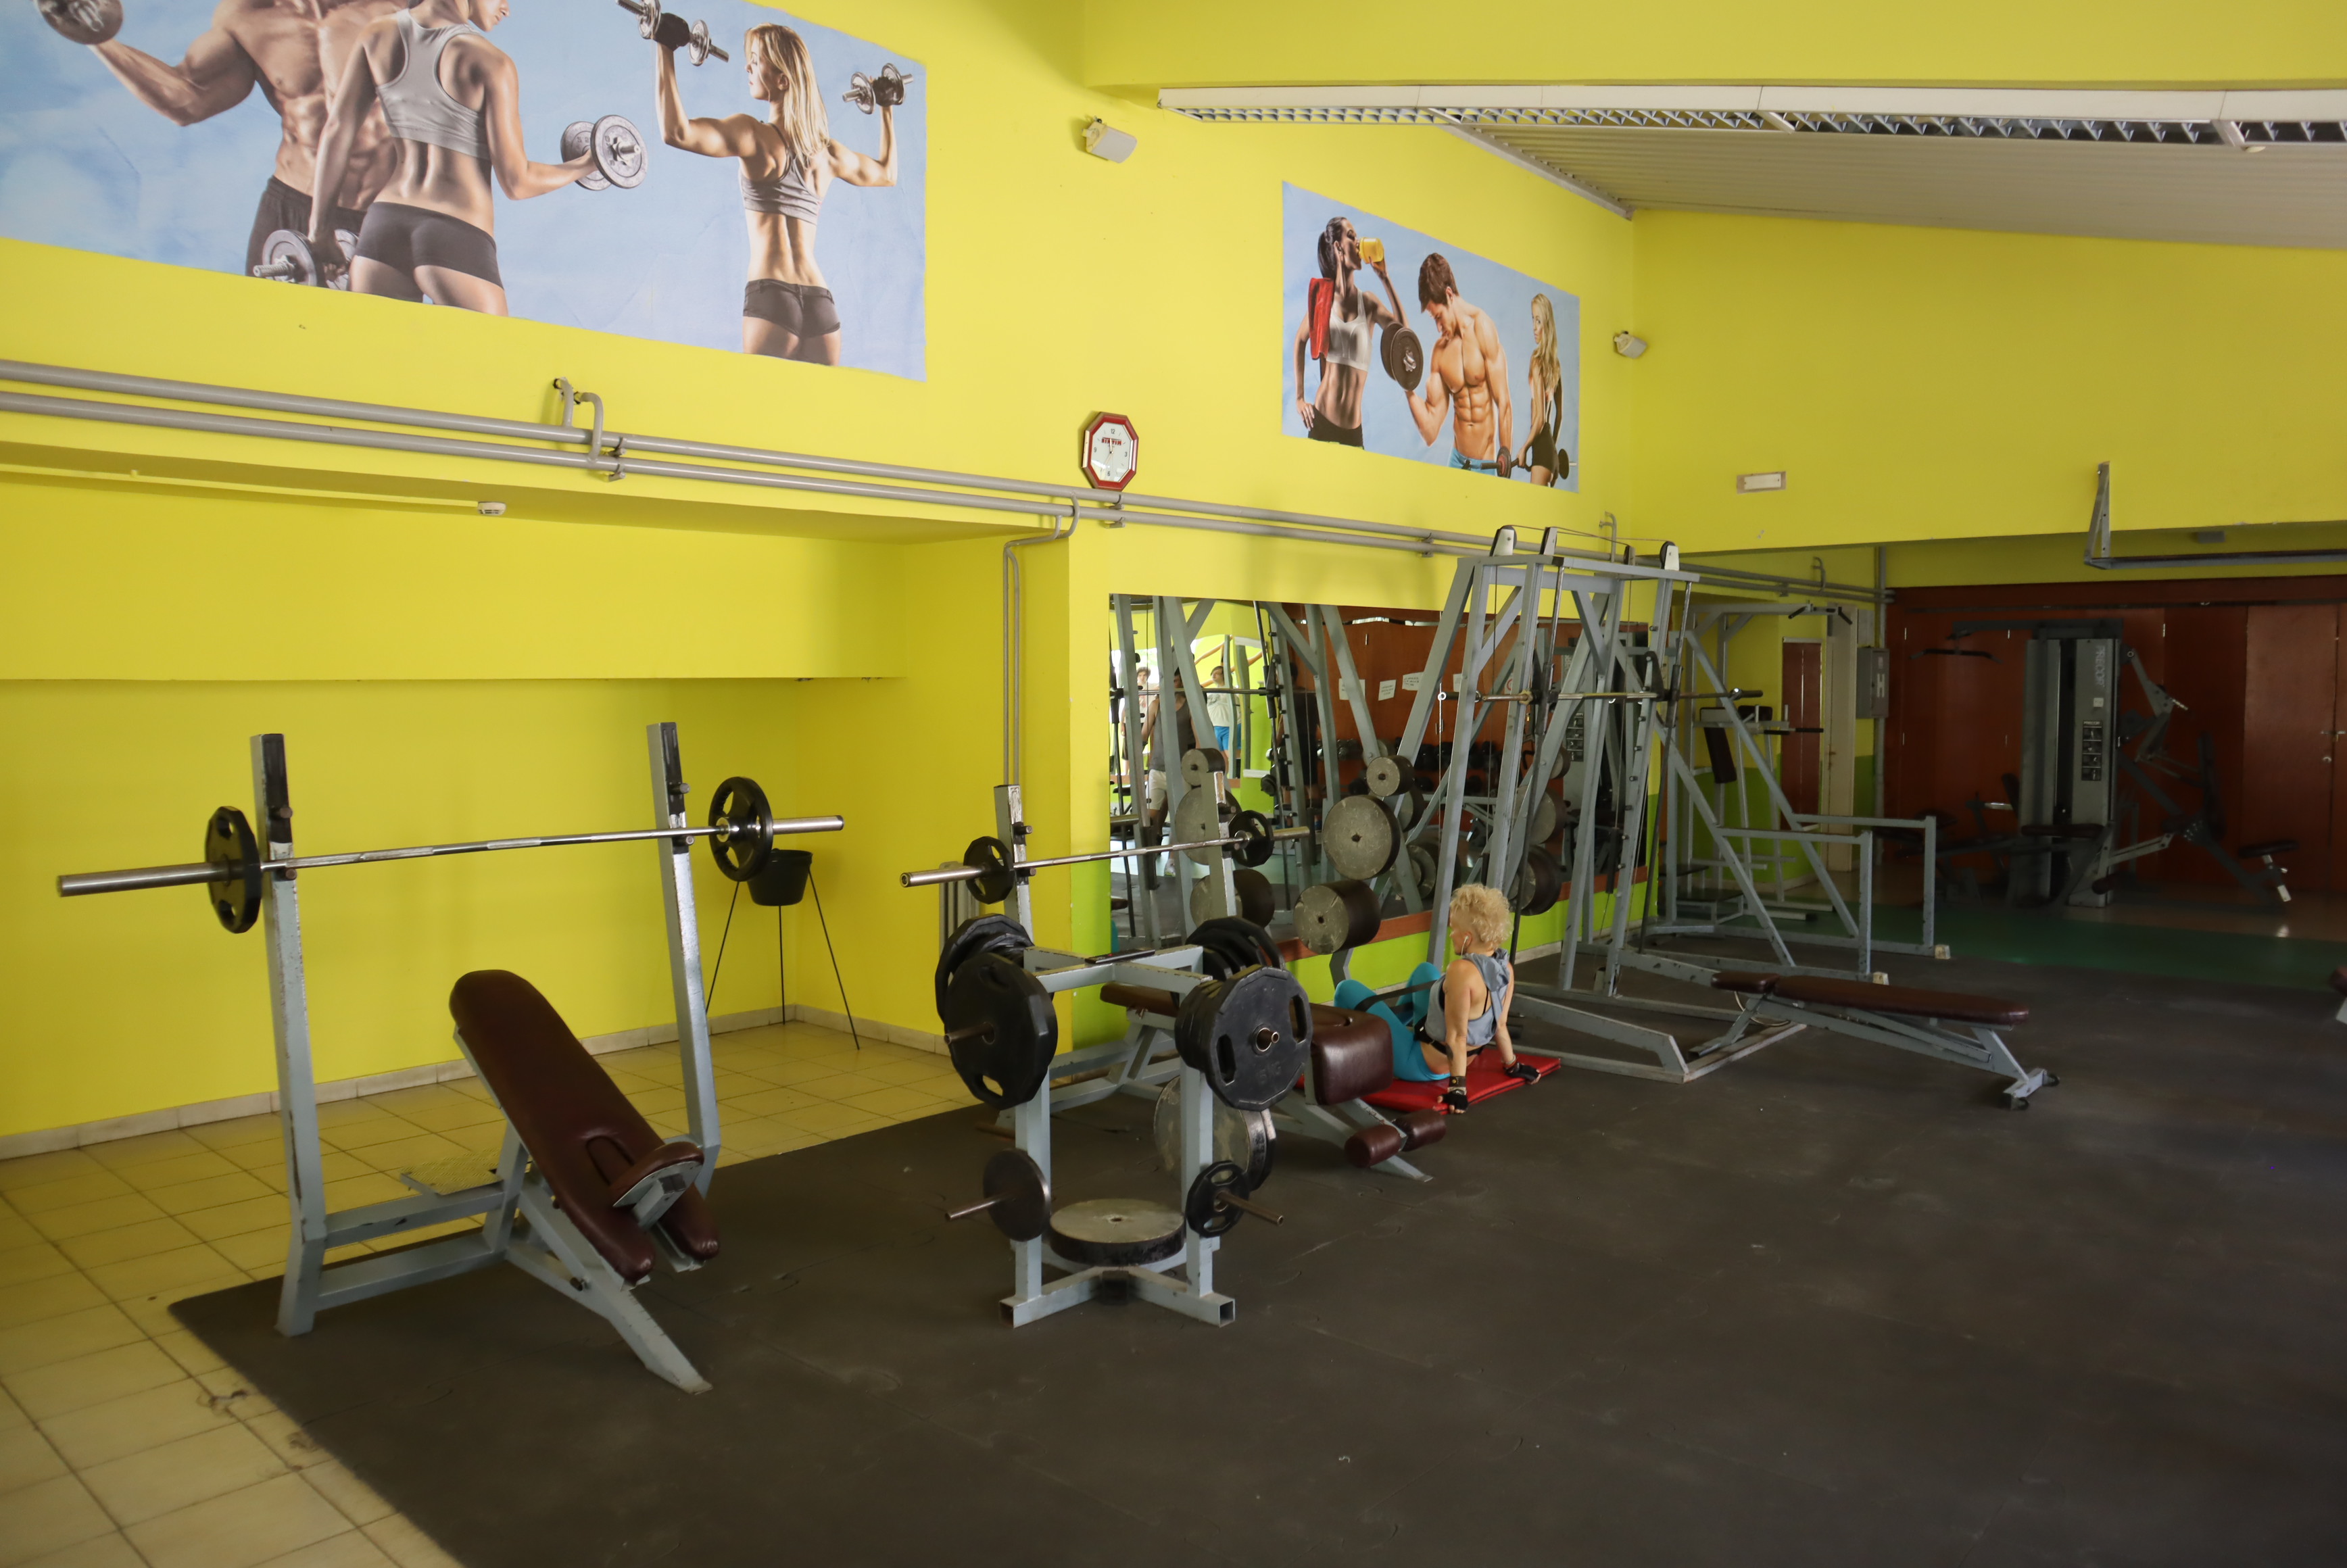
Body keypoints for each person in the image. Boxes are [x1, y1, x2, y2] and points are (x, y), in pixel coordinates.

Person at [58, 0, 402, 276]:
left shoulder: (402, 9)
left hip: (389, 210)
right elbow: (189, 101)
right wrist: (99, 41)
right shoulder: (247, 16)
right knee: (270, 334)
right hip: (294, 205)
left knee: (383, 336)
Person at [308, 0, 591, 312]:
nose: (506, 8)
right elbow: (518, 183)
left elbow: (337, 131)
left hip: (383, 229)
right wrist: (589, 163)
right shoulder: (490, 62)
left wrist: (319, 231)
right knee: (493, 347)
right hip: (456, 233)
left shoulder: (377, 34)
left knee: (379, 346)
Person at [650, 21, 900, 363]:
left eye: (756, 60)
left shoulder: (752, 135)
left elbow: (677, 133)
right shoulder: (828, 154)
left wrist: (664, 47)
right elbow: (888, 174)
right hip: (822, 305)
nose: (747, 67)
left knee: (759, 399)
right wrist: (886, 107)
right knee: (816, 401)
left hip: (772, 296)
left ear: (783, 80)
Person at [1334, 883, 1538, 1115]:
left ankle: (1343, 1059)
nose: (1451, 934)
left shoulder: (1461, 971)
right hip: (1447, 1052)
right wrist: (1513, 1065)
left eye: (1454, 929)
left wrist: (1458, 1089)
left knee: (1347, 989)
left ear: (1468, 938)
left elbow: (1457, 1037)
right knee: (1426, 971)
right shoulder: (1505, 969)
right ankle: (1387, 1039)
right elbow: (1500, 1025)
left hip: (1418, 1063)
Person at [1290, 217, 1407, 447]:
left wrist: (1385, 279)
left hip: (1353, 432)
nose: (1358, 243)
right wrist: (1300, 399)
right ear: (1338, 248)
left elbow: (1404, 337)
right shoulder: (1323, 300)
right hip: (1321, 422)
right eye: (1352, 237)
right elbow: (1300, 340)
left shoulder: (1369, 303)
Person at [1403, 253, 1515, 479]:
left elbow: (1504, 402)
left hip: (1487, 466)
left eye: (1438, 317)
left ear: (1449, 295)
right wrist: (1407, 386)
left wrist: (1505, 451)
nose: (1438, 327)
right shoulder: (1440, 351)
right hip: (1456, 463)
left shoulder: (1483, 328)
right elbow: (1430, 433)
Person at [1523, 294, 1569, 487]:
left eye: (1539, 321)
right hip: (1550, 453)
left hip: (1541, 448)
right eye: (1533, 319)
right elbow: (1559, 417)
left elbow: (1540, 419)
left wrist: (1524, 449)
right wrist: (1554, 452)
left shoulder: (1537, 361)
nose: (1534, 327)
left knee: (1532, 506)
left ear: (1547, 326)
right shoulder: (1555, 365)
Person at [1205, 663, 1236, 758]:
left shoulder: (1233, 691)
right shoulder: (1209, 693)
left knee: (1230, 755)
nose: (1214, 675)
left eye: (1217, 673)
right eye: (1213, 673)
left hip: (1228, 727)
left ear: (1224, 675)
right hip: (1214, 728)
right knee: (1220, 756)